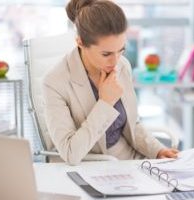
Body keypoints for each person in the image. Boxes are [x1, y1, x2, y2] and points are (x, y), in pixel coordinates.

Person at [43, 0, 179, 165]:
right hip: (95, 166)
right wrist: (105, 103)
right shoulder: (55, 83)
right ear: (80, 42)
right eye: (106, 54)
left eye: (121, 50)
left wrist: (157, 150)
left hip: (133, 161)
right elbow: (70, 153)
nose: (115, 61)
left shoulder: (123, 65)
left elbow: (132, 124)